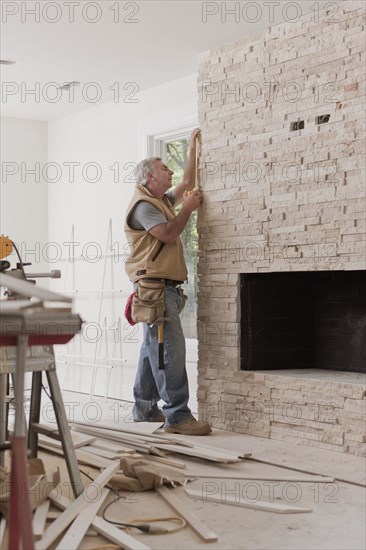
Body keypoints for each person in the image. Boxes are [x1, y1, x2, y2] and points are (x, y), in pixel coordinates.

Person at [124, 128, 211, 435]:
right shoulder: (145, 206)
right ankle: (178, 416)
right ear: (150, 177)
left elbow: (187, 182)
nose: (170, 171)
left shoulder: (159, 200)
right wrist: (187, 208)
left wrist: (192, 147)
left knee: (154, 349)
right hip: (156, 289)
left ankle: (145, 408)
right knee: (168, 351)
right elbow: (169, 234)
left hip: (161, 288)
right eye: (164, 168)